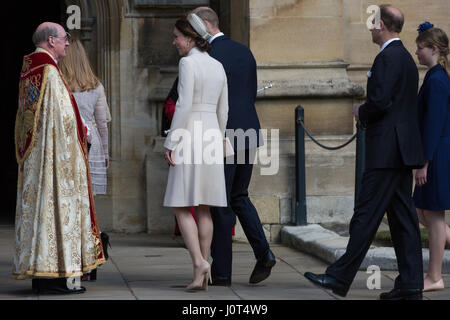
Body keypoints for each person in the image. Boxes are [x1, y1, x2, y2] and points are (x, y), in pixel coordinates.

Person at [304, 5, 425, 300]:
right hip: (400, 151)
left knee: (366, 215)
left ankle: (338, 277)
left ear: (381, 25)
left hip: (385, 151)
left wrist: (362, 112)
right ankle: (410, 284)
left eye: (372, 24)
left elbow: (380, 103)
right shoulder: (407, 58)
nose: (369, 29)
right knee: (403, 221)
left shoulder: (386, 57)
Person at [13, 22, 106, 294]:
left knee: (42, 212)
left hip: (37, 159)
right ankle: (55, 278)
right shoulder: (49, 72)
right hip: (54, 160)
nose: (68, 43)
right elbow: (63, 119)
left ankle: (41, 277)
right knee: (55, 209)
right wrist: (85, 134)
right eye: (65, 39)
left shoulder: (31, 67)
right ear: (51, 40)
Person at [192, 7, 276, 287]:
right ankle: (263, 253)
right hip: (248, 130)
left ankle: (224, 273)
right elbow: (249, 92)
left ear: (205, 24)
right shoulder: (245, 51)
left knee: (221, 201)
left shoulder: (208, 56)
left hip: (223, 134)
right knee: (239, 195)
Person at [163, 13, 228, 291]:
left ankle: (200, 262)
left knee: (180, 204)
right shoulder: (217, 65)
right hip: (212, 133)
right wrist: (220, 138)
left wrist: (171, 141)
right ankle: (202, 271)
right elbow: (223, 110)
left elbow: (184, 105)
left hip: (191, 133)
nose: (174, 41)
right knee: (204, 207)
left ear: (190, 38)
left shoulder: (187, 63)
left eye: (177, 36)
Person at [58, 38, 112, 280]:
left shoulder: (60, 84)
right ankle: (94, 254)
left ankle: (77, 256)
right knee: (89, 207)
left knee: (71, 204)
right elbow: (102, 124)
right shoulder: (96, 86)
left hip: (70, 143)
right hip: (94, 146)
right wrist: (106, 153)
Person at [412, 22, 450, 292]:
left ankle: (434, 277)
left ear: (434, 49)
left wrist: (424, 163)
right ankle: (433, 275)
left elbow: (434, 124)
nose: (417, 52)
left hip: (436, 155)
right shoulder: (435, 76)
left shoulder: (437, 79)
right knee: (420, 211)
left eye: (420, 48)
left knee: (434, 216)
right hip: (436, 152)